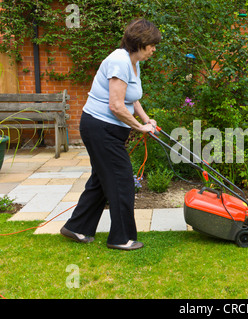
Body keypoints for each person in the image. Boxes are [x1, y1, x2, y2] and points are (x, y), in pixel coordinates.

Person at [60, 19, 161, 251]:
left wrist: (147, 119)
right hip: (100, 128)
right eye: (152, 45)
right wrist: (139, 127)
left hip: (106, 130)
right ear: (141, 42)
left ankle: (77, 227)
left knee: (101, 181)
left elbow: (131, 98)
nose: (154, 50)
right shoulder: (119, 61)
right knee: (121, 181)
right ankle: (120, 238)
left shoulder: (133, 63)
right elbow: (116, 106)